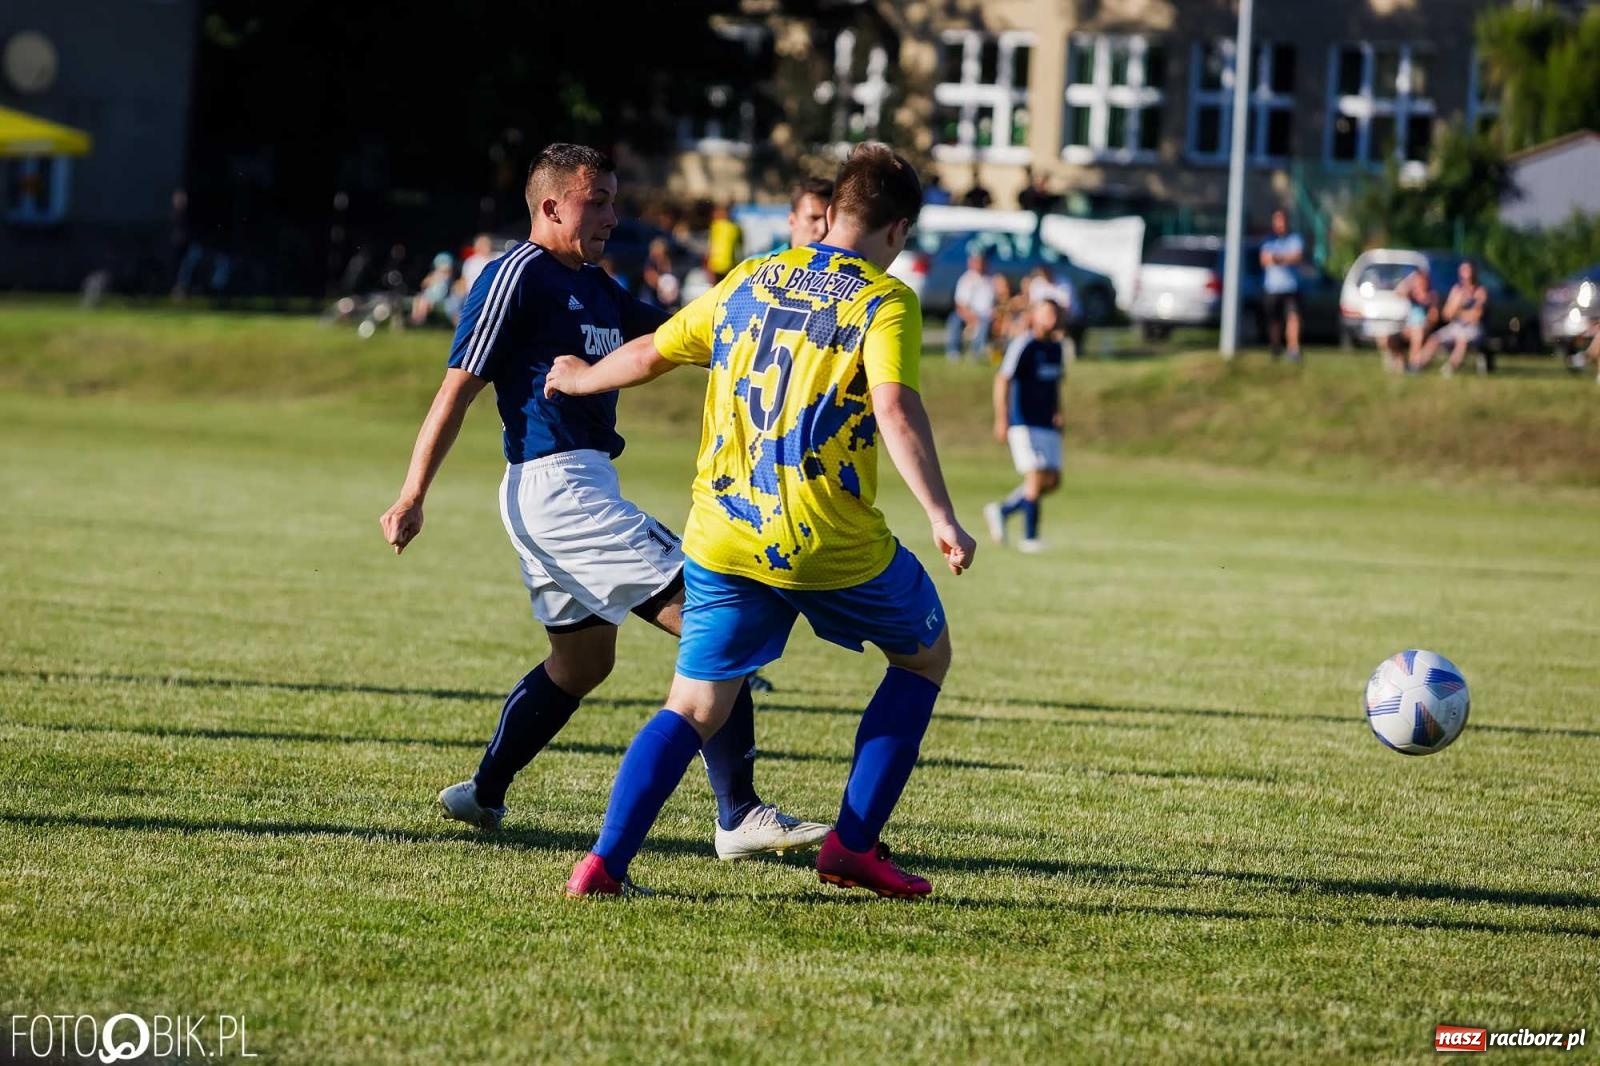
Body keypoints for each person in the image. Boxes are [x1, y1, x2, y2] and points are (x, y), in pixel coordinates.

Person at [549, 141, 978, 899]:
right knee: (923, 657)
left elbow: (654, 349)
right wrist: (941, 515)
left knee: (695, 705)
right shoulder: (884, 300)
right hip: (824, 538)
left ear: (836, 208)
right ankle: (852, 845)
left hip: (722, 534)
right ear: (898, 229)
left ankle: (603, 864)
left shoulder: (754, 275)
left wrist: (581, 378)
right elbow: (893, 405)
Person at [378, 143, 826, 861]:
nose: (615, 217)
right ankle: (739, 814)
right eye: (600, 202)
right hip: (554, 489)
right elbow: (455, 390)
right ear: (551, 206)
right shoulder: (515, 276)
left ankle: (483, 793)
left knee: (583, 664)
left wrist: (778, 316)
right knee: (718, 616)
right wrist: (412, 494)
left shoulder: (599, 286)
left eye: (615, 201)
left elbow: (683, 337)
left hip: (581, 488)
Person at [983, 300, 1066, 554]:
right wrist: (1002, 418)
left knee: (1052, 481)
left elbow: (1055, 384)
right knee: (1035, 476)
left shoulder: (1056, 347)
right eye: (1046, 313)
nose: (1051, 318)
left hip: (1046, 422)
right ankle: (1030, 538)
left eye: (1054, 313)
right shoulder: (1024, 344)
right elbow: (1002, 379)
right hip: (1023, 422)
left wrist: (1059, 412)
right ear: (1035, 316)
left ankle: (1002, 510)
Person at [1414, 260, 1488, 375]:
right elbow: (1446, 314)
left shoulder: (1480, 291)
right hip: (1456, 326)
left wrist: (1457, 310)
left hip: (1473, 329)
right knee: (1435, 339)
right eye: (1464, 270)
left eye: (1469, 270)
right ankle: (1417, 365)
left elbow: (1476, 316)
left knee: (1462, 340)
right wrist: (1459, 306)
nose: (1467, 274)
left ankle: (1449, 369)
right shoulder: (1456, 290)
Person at [1259, 210, 1303, 362]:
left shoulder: (1295, 238)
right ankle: (1275, 347)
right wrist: (1283, 258)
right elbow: (1264, 260)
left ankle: (1293, 349)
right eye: (1277, 221)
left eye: (1282, 221)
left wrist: (1278, 258)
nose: (1280, 224)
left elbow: (1296, 257)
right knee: (1274, 320)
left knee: (1293, 317)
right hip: (1272, 288)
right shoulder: (1268, 240)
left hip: (1290, 287)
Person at [1385, 266, 1438, 372]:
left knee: (1417, 333)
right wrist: (1410, 280)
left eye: (1421, 281)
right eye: (1417, 281)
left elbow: (1434, 317)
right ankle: (1403, 364)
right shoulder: (1411, 295)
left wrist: (1426, 322)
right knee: (1390, 337)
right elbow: (1398, 291)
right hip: (1410, 327)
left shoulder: (1431, 296)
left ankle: (1413, 364)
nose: (1419, 283)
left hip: (1423, 327)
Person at [948, 252, 996, 361]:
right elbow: (960, 305)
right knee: (954, 319)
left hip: (987, 315)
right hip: (969, 313)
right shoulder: (966, 280)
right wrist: (971, 318)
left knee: (985, 321)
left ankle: (976, 352)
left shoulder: (991, 280)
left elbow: (996, 301)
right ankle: (953, 351)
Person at [786, 177, 833, 249]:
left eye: (829, 220)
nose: (822, 230)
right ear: (792, 221)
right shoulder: (769, 260)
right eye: (813, 218)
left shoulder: (847, 259)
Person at [409, 252, 456, 325]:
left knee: (424, 302)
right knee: (417, 299)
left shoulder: (448, 276)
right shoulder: (434, 274)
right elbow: (423, 284)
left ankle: (421, 318)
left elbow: (446, 288)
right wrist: (431, 279)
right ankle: (414, 316)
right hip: (429, 294)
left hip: (438, 296)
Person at [706, 202, 742, 281]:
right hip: (717, 264)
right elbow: (711, 246)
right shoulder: (716, 226)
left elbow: (739, 247)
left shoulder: (733, 227)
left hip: (728, 264)